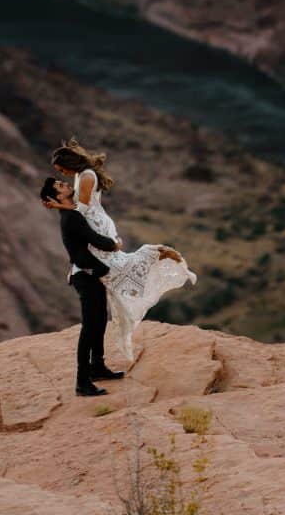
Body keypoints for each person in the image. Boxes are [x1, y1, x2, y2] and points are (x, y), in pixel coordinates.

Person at [44, 138, 196, 362]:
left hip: (96, 226)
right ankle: (86, 271)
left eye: (61, 169)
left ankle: (156, 253)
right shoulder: (79, 176)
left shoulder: (86, 176)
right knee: (115, 268)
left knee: (119, 266)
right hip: (93, 226)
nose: (62, 173)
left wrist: (61, 206)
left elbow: (83, 209)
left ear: (69, 163)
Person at [40, 176, 125, 397]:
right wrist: (114, 245)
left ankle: (97, 367)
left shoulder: (70, 213)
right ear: (58, 196)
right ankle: (82, 382)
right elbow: (94, 239)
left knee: (99, 321)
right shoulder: (71, 218)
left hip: (90, 275)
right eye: (61, 186)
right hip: (86, 276)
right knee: (90, 327)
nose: (66, 184)